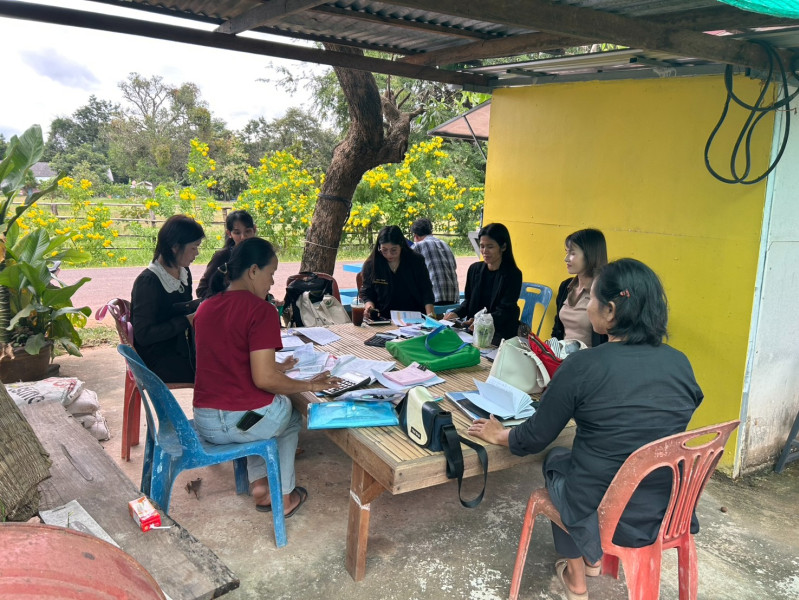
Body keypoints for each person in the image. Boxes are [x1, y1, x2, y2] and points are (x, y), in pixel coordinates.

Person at [468, 258, 703, 600]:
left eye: (591, 298)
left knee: (556, 462)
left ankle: (578, 576)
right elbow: (686, 406)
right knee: (579, 463)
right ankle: (593, 561)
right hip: (668, 505)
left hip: (608, 509)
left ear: (610, 311)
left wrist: (499, 434)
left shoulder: (583, 365)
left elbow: (534, 437)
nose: (587, 305)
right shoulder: (679, 362)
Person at [192, 237, 341, 516]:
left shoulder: (205, 307)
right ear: (253, 271)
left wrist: (276, 366)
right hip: (239, 424)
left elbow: (228, 358)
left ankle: (261, 485)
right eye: (270, 274)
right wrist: (311, 383)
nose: (272, 282)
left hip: (206, 422)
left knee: (264, 415)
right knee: (288, 413)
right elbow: (264, 380)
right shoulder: (261, 310)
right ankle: (283, 496)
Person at [130, 215, 204, 384]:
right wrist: (186, 320)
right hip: (158, 360)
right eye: (193, 248)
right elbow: (144, 335)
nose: (197, 253)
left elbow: (177, 308)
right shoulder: (148, 282)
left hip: (179, 348)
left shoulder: (183, 272)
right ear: (175, 247)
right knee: (217, 370)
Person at [443, 223, 522, 345]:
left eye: (490, 247)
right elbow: (468, 301)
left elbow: (505, 310)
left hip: (500, 332)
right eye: (482, 246)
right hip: (473, 330)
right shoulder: (474, 269)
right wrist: (456, 313)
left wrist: (482, 321)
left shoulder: (513, 274)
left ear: (503, 247)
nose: (485, 251)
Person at [359, 225, 436, 319]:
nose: (389, 255)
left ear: (401, 245)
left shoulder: (416, 261)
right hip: (383, 318)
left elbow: (426, 291)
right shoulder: (372, 264)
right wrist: (370, 308)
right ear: (379, 247)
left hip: (414, 317)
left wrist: (430, 316)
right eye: (384, 250)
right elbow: (367, 293)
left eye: (394, 250)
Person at [551, 228, 608, 348]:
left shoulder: (604, 292)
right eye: (566, 252)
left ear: (590, 255)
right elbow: (557, 330)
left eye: (572, 253)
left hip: (591, 358)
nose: (566, 259)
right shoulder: (565, 287)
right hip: (563, 356)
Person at [196, 210, 256, 300]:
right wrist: (227, 301)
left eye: (247, 231)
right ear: (229, 233)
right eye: (237, 233)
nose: (243, 237)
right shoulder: (222, 257)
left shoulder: (260, 255)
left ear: (254, 230)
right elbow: (202, 290)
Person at [410, 218, 459, 305]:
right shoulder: (444, 244)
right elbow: (454, 266)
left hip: (434, 299)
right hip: (453, 297)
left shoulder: (418, 246)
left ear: (416, 236)